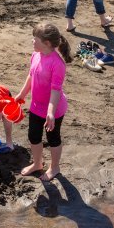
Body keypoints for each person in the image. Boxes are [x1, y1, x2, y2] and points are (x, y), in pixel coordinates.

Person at [15, 23, 71, 181]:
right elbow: (31, 76)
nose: (32, 41)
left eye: (35, 39)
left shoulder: (57, 64)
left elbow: (55, 90)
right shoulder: (35, 55)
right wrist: (21, 94)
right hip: (36, 106)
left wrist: (51, 113)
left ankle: (54, 168)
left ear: (46, 43)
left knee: (53, 138)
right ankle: (38, 163)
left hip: (54, 110)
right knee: (33, 136)